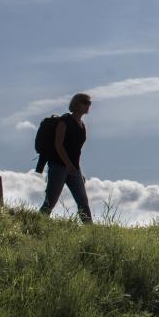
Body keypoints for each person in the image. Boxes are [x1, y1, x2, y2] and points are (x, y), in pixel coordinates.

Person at [39, 92, 93, 224]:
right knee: (51, 200)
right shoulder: (64, 121)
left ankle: (91, 231)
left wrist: (78, 170)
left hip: (74, 168)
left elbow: (76, 151)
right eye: (85, 102)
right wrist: (68, 164)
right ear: (76, 104)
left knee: (83, 201)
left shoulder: (82, 125)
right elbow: (58, 145)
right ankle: (37, 224)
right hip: (58, 166)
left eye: (89, 103)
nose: (88, 106)